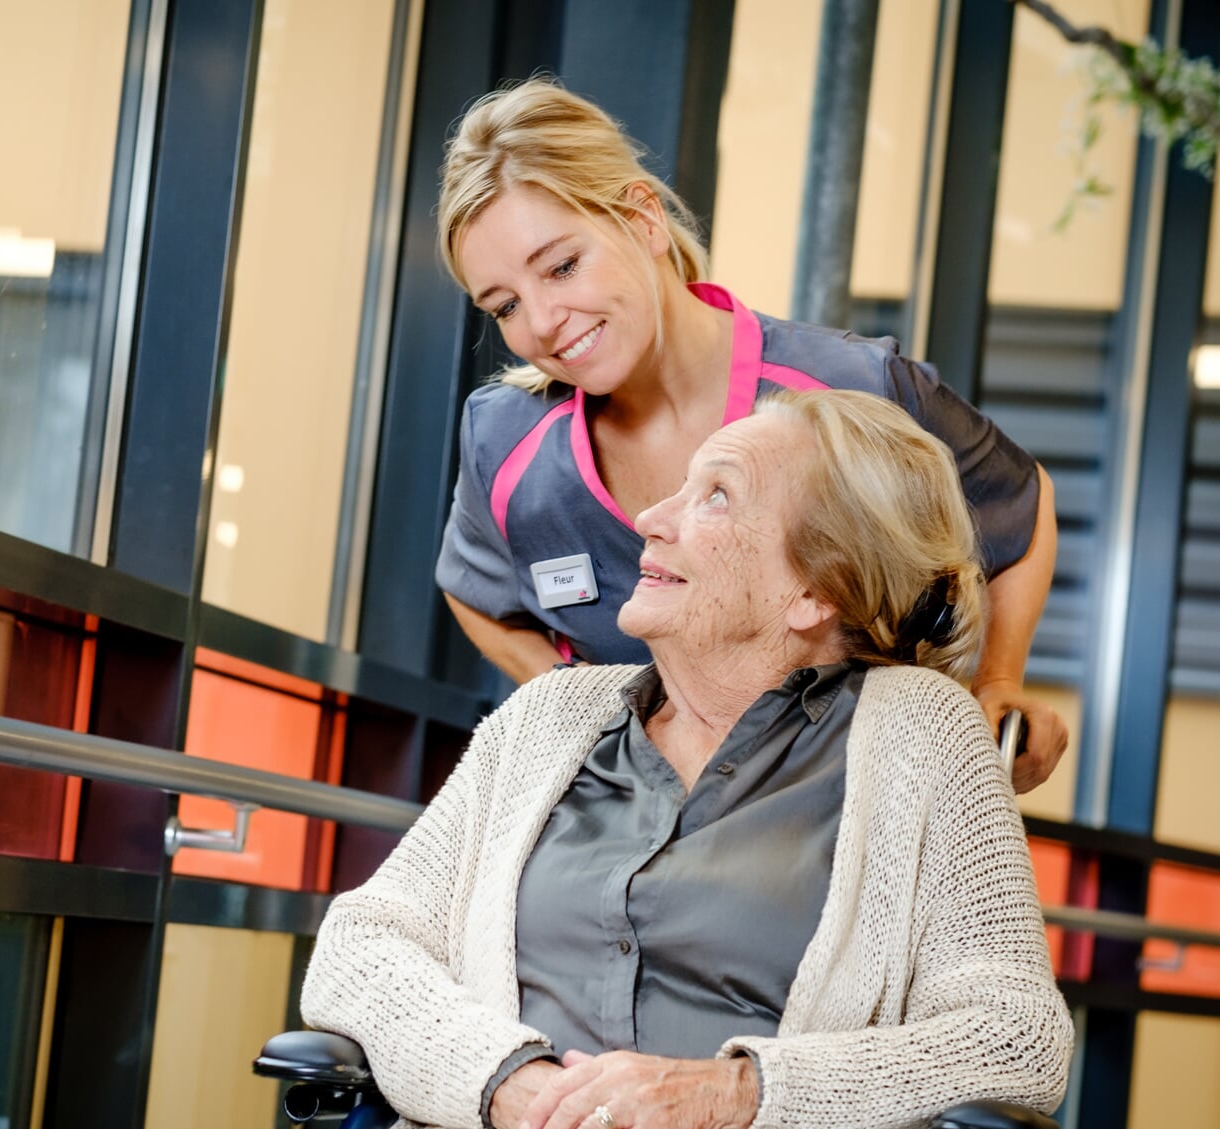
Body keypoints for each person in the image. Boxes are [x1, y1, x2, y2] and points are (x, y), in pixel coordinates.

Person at [304, 390, 1074, 1129]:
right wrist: (510, 1084)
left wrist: (732, 1093)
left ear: (813, 590)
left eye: (715, 497)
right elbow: (363, 943)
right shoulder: (551, 713)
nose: (650, 519)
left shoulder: (920, 732)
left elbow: (1017, 1039)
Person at [432, 79, 1067, 793]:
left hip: (843, 815)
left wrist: (1001, 678)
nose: (542, 321)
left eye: (562, 265)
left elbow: (1020, 501)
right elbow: (472, 589)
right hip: (632, 832)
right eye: (506, 305)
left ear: (642, 218)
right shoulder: (507, 440)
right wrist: (591, 713)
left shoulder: (850, 388)